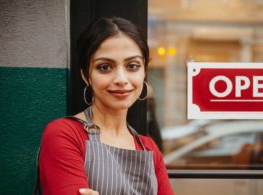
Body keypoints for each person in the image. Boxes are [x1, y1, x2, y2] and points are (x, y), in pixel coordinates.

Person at [38, 17, 174, 195]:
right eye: (105, 67)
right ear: (87, 76)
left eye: (132, 66)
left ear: (144, 73)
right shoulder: (63, 134)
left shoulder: (149, 148)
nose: (121, 79)